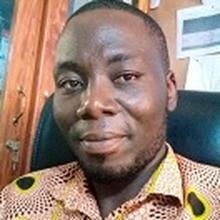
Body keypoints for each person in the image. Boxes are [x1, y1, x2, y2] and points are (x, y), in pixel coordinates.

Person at [0, 0, 220, 219]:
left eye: (126, 77)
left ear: (169, 90)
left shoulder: (215, 198)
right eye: (71, 82)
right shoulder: (16, 202)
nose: (93, 105)